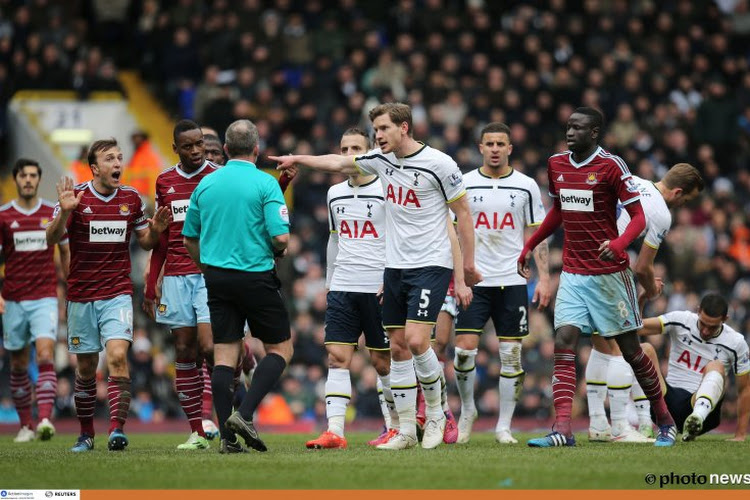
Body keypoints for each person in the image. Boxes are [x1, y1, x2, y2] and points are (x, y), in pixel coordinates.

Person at [271, 102, 481, 450]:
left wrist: (466, 270)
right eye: (375, 131)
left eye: (383, 129)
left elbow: (462, 216)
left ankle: (436, 414)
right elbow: (336, 163)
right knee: (398, 348)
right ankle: (404, 432)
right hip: (394, 268)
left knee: (416, 341)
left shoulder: (440, 164)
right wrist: (298, 160)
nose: (378, 136)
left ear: (405, 128)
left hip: (430, 263)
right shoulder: (380, 163)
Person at [518, 107, 677, 447]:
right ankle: (562, 428)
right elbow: (559, 210)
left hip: (609, 275)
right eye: (568, 126)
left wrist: (620, 244)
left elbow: (637, 217)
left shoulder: (611, 165)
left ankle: (664, 419)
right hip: (574, 273)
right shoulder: (556, 164)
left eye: (577, 127)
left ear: (594, 133)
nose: (570, 132)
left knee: (632, 350)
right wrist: (531, 243)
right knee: (563, 340)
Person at [46, 138, 169, 452]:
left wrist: (156, 230)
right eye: (110, 159)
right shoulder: (75, 198)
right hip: (81, 296)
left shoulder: (131, 198)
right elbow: (52, 237)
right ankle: (86, 434)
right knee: (86, 368)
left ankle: (116, 429)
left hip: (117, 293)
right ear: (94, 167)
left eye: (119, 157)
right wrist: (64, 214)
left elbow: (144, 241)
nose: (117, 164)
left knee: (116, 356)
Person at [183, 119, 293, 454]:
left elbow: (189, 237)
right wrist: (277, 250)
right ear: (257, 150)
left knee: (224, 355)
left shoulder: (205, 185)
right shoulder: (266, 184)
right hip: (255, 276)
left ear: (226, 149)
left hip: (216, 278)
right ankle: (244, 415)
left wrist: (207, 267)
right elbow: (280, 236)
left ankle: (228, 441)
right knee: (281, 349)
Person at [586, 163, 704, 442]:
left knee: (599, 342)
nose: (683, 204)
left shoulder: (633, 180)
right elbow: (642, 268)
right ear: (677, 192)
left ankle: (597, 425)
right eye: (686, 199)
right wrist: (650, 290)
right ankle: (619, 428)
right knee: (622, 347)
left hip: (582, 254)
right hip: (606, 262)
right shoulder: (661, 214)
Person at [453, 122, 550, 444]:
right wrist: (457, 277)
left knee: (511, 355)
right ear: (480, 147)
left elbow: (536, 234)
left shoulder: (526, 186)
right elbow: (452, 234)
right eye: (489, 143)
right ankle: (468, 410)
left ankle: (503, 425)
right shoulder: (464, 183)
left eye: (500, 143)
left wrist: (544, 279)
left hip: (512, 280)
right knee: (464, 352)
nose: (495, 148)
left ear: (510, 148)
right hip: (474, 280)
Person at [305, 127, 395, 450]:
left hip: (378, 287)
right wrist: (330, 283)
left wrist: (392, 277)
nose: (349, 156)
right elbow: (333, 239)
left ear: (369, 152)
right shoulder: (334, 193)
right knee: (337, 357)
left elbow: (398, 237)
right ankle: (335, 432)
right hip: (343, 285)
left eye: (356, 148)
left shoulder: (386, 188)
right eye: (344, 149)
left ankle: (394, 427)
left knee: (383, 362)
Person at [144, 120, 220, 450]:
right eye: (188, 146)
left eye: (199, 144)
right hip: (175, 276)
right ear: (175, 148)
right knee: (185, 350)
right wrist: (151, 284)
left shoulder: (217, 177)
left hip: (209, 271)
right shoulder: (165, 181)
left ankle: (224, 417)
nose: (195, 151)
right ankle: (198, 432)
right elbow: (161, 240)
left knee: (209, 346)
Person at [0, 158, 70, 442]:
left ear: (39, 179)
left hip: (44, 296)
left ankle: (44, 419)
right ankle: (26, 425)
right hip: (14, 298)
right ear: (16, 179)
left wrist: (69, 284)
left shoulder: (50, 213)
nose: (28, 180)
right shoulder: (4, 216)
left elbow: (65, 250)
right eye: (23, 175)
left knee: (44, 354)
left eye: (33, 175)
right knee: (17, 364)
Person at [635, 293, 749, 442]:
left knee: (716, 366)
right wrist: (642, 299)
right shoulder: (681, 320)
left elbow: (745, 389)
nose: (706, 331)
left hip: (704, 409)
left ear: (725, 319)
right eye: (703, 324)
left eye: (712, 327)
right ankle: (645, 425)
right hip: (665, 402)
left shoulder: (736, 342)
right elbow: (637, 329)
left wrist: (740, 434)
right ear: (698, 311)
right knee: (644, 350)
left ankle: (696, 418)